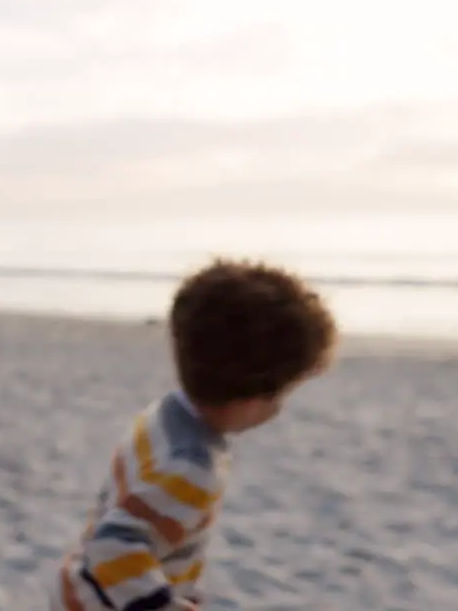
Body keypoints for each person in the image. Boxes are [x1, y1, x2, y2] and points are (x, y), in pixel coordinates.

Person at [49, 259, 338, 611]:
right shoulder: (191, 467)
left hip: (79, 586)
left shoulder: (165, 415)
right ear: (248, 397)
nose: (278, 408)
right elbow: (113, 547)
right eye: (279, 395)